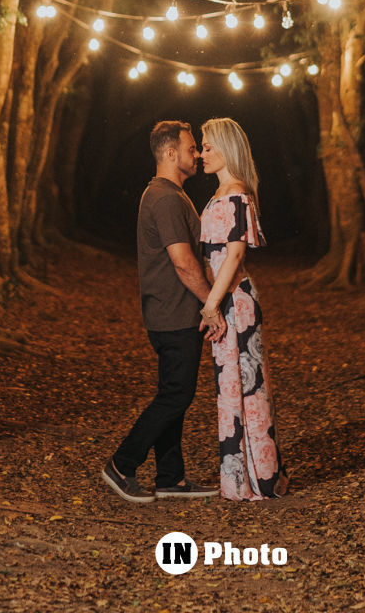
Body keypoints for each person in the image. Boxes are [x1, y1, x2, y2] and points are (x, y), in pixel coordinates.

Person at [102, 120, 224, 504]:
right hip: (174, 313)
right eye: (191, 148)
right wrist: (211, 306)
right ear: (170, 154)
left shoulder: (161, 194)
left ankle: (171, 477)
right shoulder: (167, 198)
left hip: (169, 311)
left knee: (174, 393)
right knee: (176, 395)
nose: (197, 154)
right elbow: (183, 262)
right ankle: (122, 464)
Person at [198, 117, 288, 501]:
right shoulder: (220, 194)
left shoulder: (236, 196)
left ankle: (260, 479)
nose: (202, 154)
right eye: (202, 147)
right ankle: (239, 481)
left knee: (247, 386)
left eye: (208, 147)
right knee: (230, 386)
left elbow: (234, 255)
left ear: (226, 149)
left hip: (236, 301)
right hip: (224, 300)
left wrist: (211, 306)